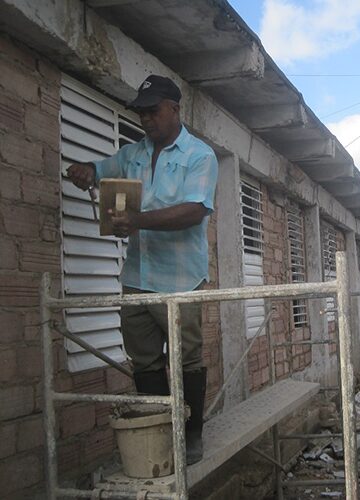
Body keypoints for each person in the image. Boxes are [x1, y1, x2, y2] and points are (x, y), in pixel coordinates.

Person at [67, 75, 218, 465]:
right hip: (136, 279)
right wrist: (85, 169)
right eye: (141, 112)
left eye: (153, 111)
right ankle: (163, 431)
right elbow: (101, 169)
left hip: (181, 280)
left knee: (186, 358)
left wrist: (136, 220)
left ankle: (192, 434)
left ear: (174, 109)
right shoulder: (132, 154)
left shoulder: (199, 156)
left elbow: (194, 210)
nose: (147, 119)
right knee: (146, 361)